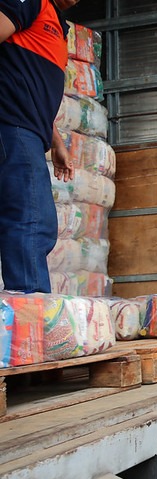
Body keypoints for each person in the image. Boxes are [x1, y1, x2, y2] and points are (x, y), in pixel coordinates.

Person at [1, 0, 78, 293]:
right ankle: (31, 315)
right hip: (11, 123)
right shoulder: (31, 2)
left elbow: (33, 90)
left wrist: (56, 141)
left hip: (30, 130)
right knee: (31, 219)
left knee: (32, 218)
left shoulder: (59, 27)